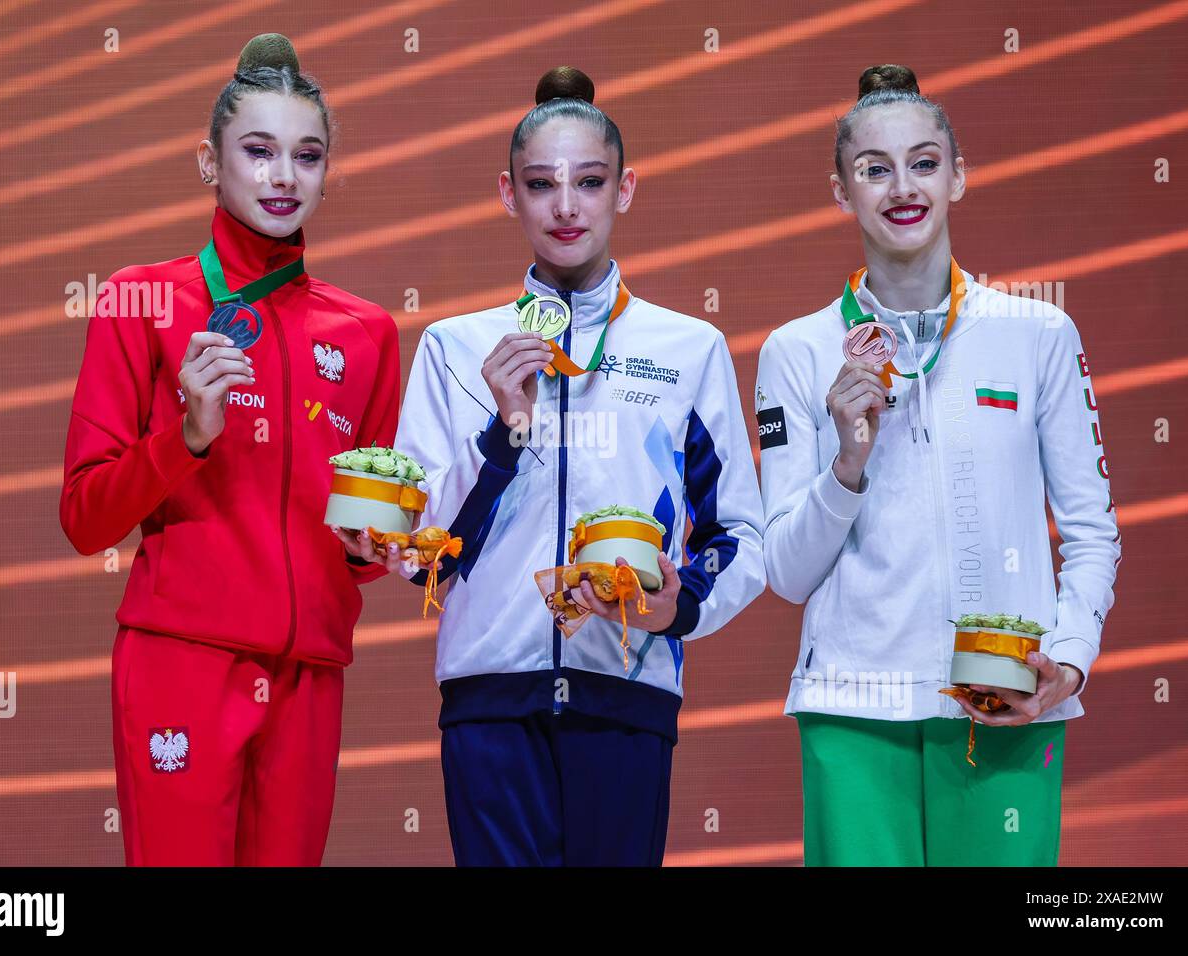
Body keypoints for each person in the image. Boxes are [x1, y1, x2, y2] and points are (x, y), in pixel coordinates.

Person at [346, 66, 765, 866]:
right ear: (508, 194)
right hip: (490, 701)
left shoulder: (689, 350)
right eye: (542, 185)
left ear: (626, 189)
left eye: (590, 182)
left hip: (628, 696)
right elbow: (418, 555)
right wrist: (503, 434)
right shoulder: (455, 349)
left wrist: (679, 610)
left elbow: (737, 532)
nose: (566, 207)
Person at [755, 64, 1122, 866]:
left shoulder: (1038, 334)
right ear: (840, 190)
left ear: (959, 174)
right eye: (873, 169)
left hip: (1007, 704)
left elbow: (1093, 532)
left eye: (924, 162)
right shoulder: (796, 350)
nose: (902, 188)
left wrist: (1067, 661)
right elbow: (783, 571)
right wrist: (848, 460)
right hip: (853, 711)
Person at [59, 34, 400, 865]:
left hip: (309, 677)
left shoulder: (368, 333)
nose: (284, 176)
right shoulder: (142, 299)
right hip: (181, 662)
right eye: (259, 151)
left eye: (307, 156)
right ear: (210, 162)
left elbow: (364, 547)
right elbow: (84, 518)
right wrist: (187, 438)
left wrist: (377, 547)